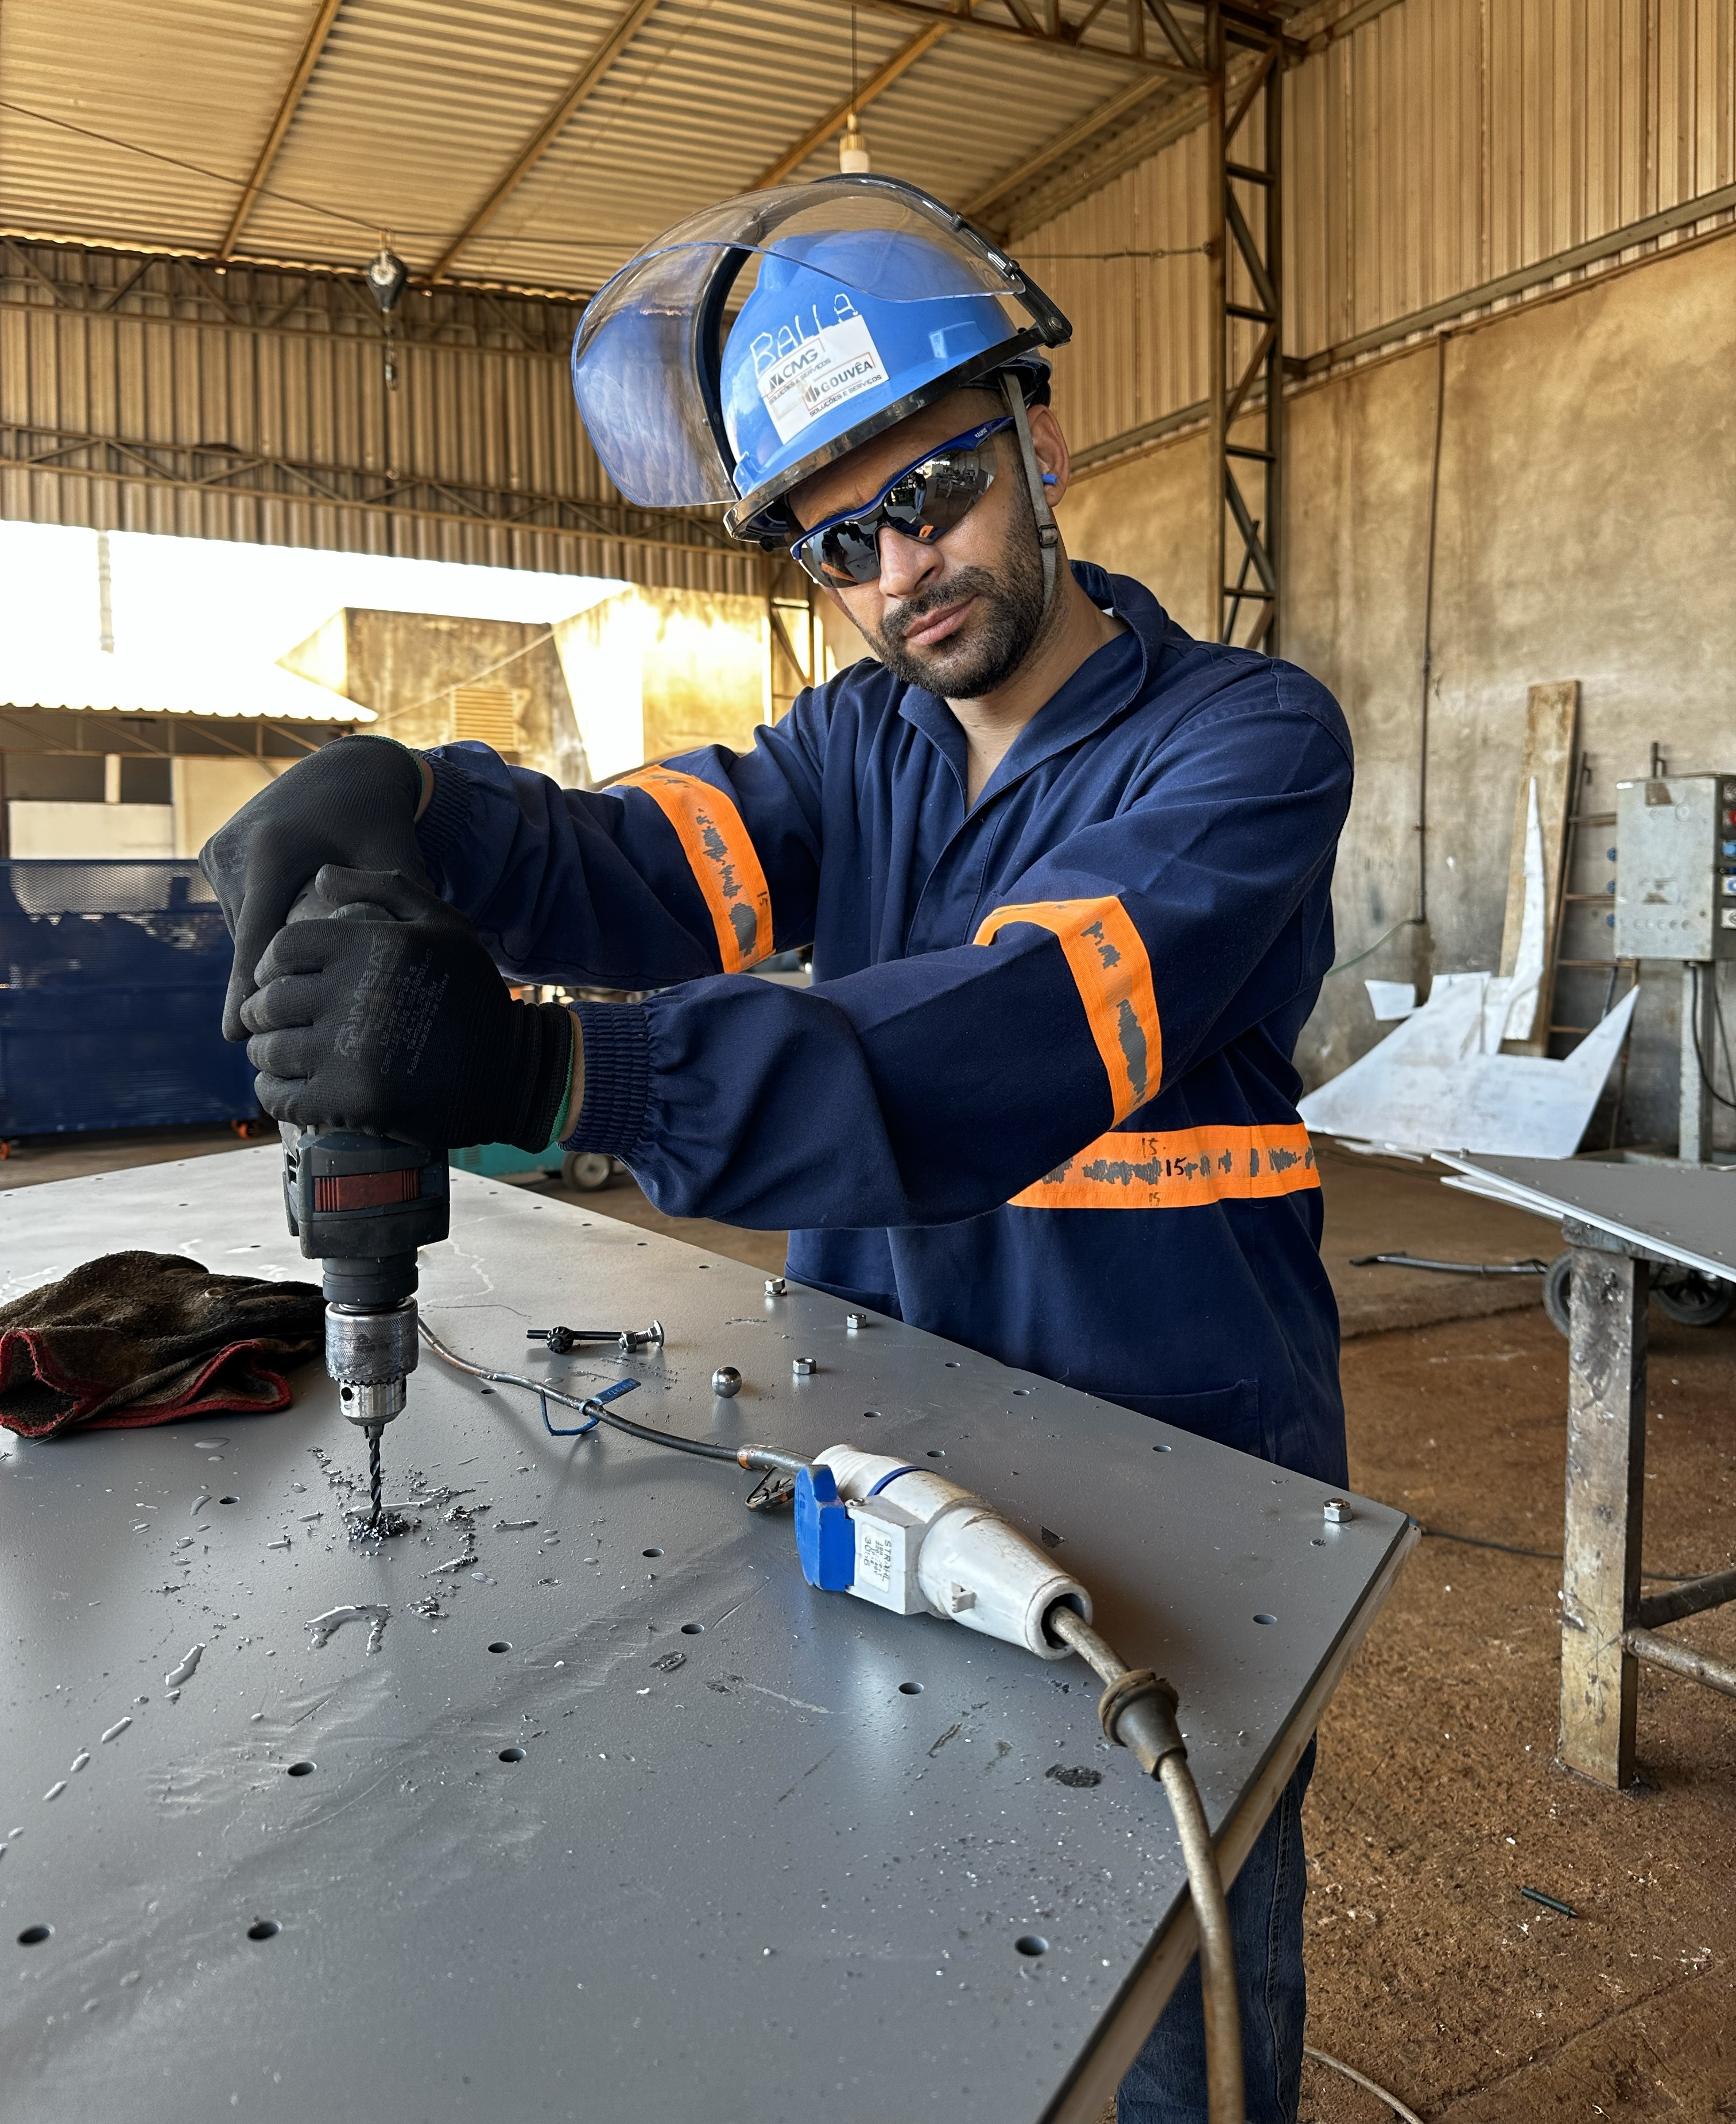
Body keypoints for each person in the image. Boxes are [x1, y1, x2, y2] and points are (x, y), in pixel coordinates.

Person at [206, 176, 1353, 2124]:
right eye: (839, 540)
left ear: (1043, 440)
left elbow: (1029, 1029)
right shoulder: (860, 747)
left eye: (936, 489)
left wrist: (574, 1080)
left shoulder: (1245, 743)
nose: (901, 567)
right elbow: (642, 861)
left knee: (1173, 1978)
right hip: (891, 1444)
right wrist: (426, 805)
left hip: (1182, 1472)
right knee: (907, 1927)